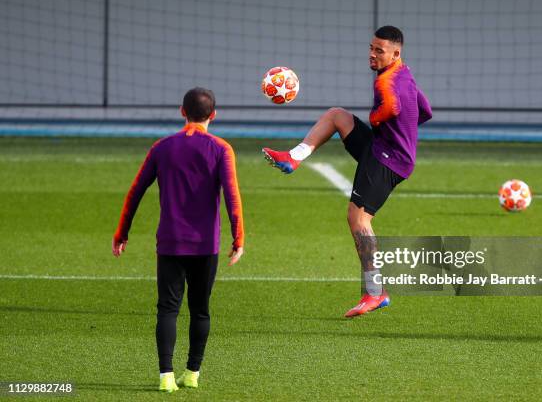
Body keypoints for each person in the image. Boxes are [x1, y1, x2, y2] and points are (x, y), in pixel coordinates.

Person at [262, 26, 432, 318]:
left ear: (396, 53)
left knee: (358, 217)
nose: (372, 54)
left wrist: (377, 120)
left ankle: (375, 292)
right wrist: (401, 132)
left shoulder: (385, 82)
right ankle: (294, 157)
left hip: (388, 158)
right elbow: (425, 109)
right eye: (371, 48)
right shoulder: (405, 73)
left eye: (379, 50)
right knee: (338, 116)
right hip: (386, 149)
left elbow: (391, 107)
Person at [112, 87, 244, 392]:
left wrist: (122, 233)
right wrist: (238, 239)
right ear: (214, 115)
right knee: (201, 309)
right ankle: (192, 373)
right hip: (206, 245)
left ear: (182, 112)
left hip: (170, 243)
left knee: (167, 309)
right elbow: (232, 197)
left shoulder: (162, 147)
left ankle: (165, 377)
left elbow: (135, 192)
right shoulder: (221, 149)